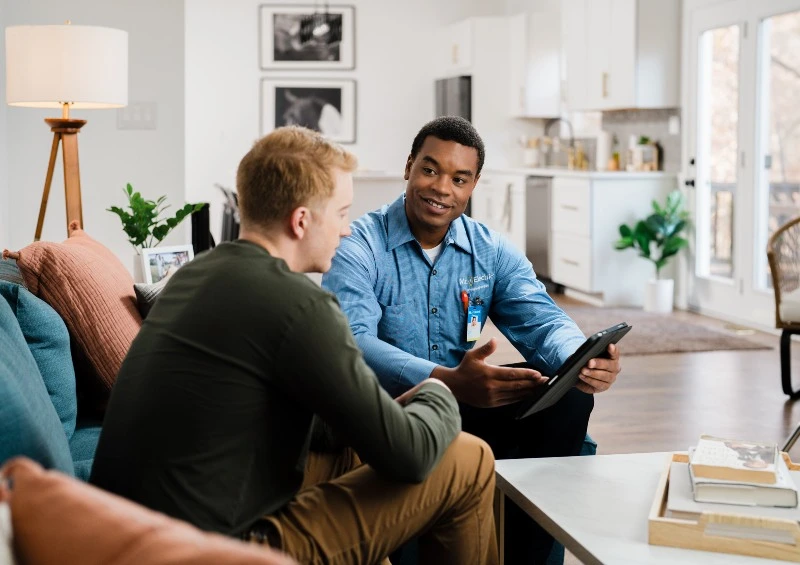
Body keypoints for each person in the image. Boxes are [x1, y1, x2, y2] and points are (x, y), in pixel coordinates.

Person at [90, 126, 499, 565]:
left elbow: (312, 413)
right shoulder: (299, 304)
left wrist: (385, 409)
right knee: (466, 458)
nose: (346, 231)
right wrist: (442, 388)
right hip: (217, 550)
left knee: (354, 447)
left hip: (137, 536)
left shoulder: (194, 275)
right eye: (341, 213)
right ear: (302, 220)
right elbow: (410, 459)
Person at [322, 116, 622, 563]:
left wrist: (582, 356)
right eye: (430, 170)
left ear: (473, 185)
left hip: (469, 405)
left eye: (458, 178)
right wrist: (444, 379)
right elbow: (354, 342)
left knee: (569, 396)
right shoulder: (359, 245)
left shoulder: (490, 250)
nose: (442, 187)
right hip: (395, 415)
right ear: (408, 167)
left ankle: (527, 554)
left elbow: (542, 319)